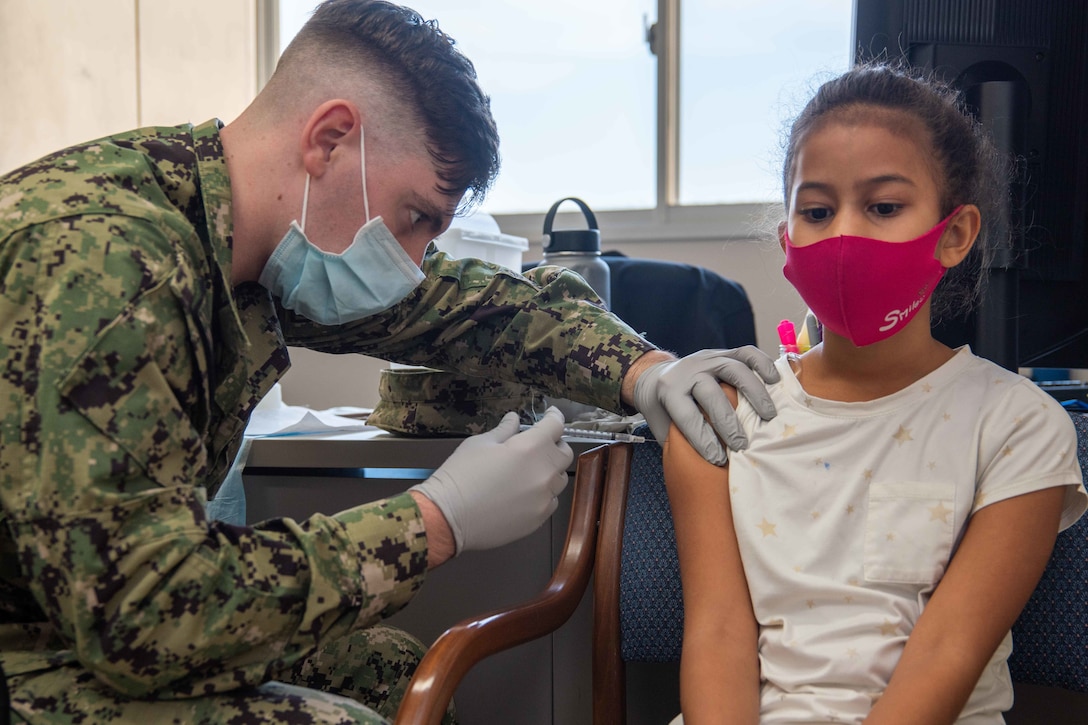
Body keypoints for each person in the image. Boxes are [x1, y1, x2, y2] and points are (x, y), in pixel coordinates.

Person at [0, 1, 779, 723]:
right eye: (415, 219)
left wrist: (644, 368)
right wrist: (433, 520)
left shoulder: (246, 241)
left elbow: (477, 309)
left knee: (382, 669)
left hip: (76, 615)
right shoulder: (104, 259)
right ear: (329, 139)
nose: (413, 264)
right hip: (49, 637)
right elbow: (143, 609)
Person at [663, 63, 1088, 724]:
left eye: (883, 207)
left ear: (954, 234)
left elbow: (948, 652)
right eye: (817, 210)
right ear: (787, 239)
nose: (843, 237)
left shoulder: (1018, 426)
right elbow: (717, 635)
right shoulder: (722, 416)